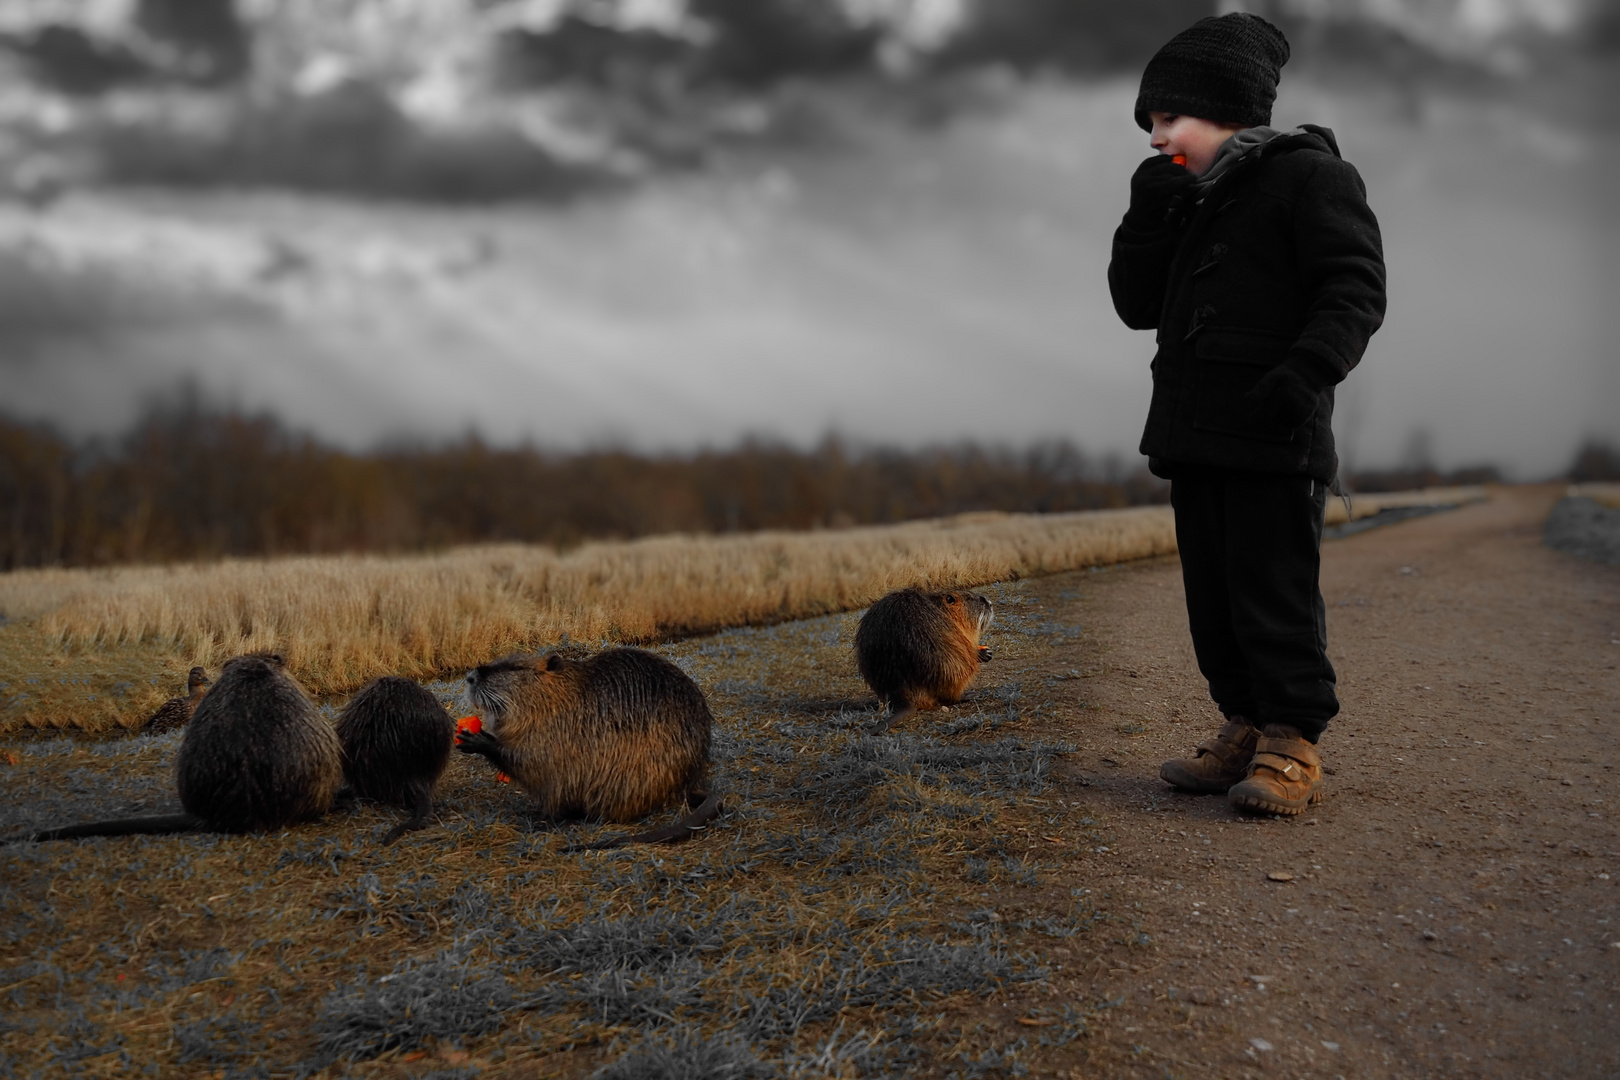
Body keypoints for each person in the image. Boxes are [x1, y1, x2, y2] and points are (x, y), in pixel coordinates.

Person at [1107, 12, 1386, 815]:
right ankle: (1244, 723)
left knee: (1273, 591)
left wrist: (1308, 373)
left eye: (1168, 119)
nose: (1156, 138)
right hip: (1195, 435)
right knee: (1215, 596)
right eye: (1149, 124)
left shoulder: (1312, 178)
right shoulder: (1187, 196)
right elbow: (1135, 306)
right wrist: (1145, 218)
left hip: (1273, 428)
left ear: (1227, 109)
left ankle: (1292, 740)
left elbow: (1355, 287)